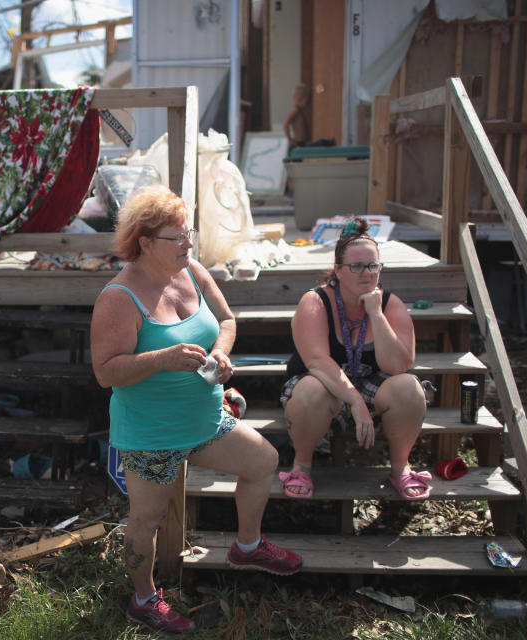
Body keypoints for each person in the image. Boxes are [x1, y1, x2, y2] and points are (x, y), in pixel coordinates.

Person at [90, 185, 302, 637]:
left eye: (190, 233)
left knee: (263, 460)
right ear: (144, 242)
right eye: (178, 237)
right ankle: (143, 599)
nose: (189, 243)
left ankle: (246, 545)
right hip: (151, 432)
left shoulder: (192, 270)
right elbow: (106, 373)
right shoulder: (118, 298)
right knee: (146, 520)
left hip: (205, 418)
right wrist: (162, 359)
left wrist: (222, 354)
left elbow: (227, 321)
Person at [279, 217, 431, 501]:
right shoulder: (314, 301)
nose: (367, 273)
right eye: (357, 266)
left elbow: (398, 366)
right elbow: (317, 362)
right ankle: (301, 466)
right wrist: (356, 402)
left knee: (410, 387)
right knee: (312, 389)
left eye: (373, 266)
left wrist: (375, 313)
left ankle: (401, 468)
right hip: (324, 390)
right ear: (338, 270)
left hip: (373, 388)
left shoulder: (389, 303)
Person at [283, 84, 311, 150]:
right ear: (300, 98)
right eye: (307, 100)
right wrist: (290, 139)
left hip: (302, 142)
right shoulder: (295, 110)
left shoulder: (299, 110)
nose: (307, 103)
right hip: (297, 143)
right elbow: (285, 124)